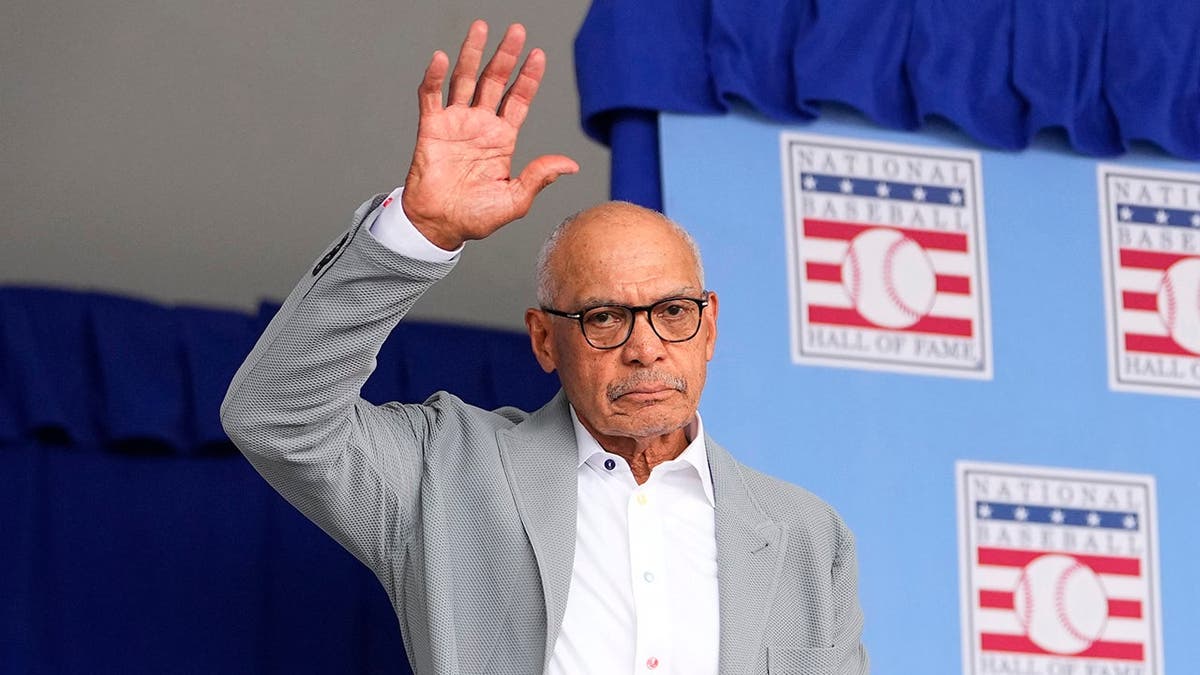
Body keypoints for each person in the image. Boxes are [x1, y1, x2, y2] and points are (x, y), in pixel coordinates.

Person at [221, 20, 868, 675]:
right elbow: (274, 413)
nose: (645, 349)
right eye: (605, 318)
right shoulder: (441, 474)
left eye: (673, 312)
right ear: (544, 340)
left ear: (710, 326)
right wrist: (421, 232)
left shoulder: (810, 536)